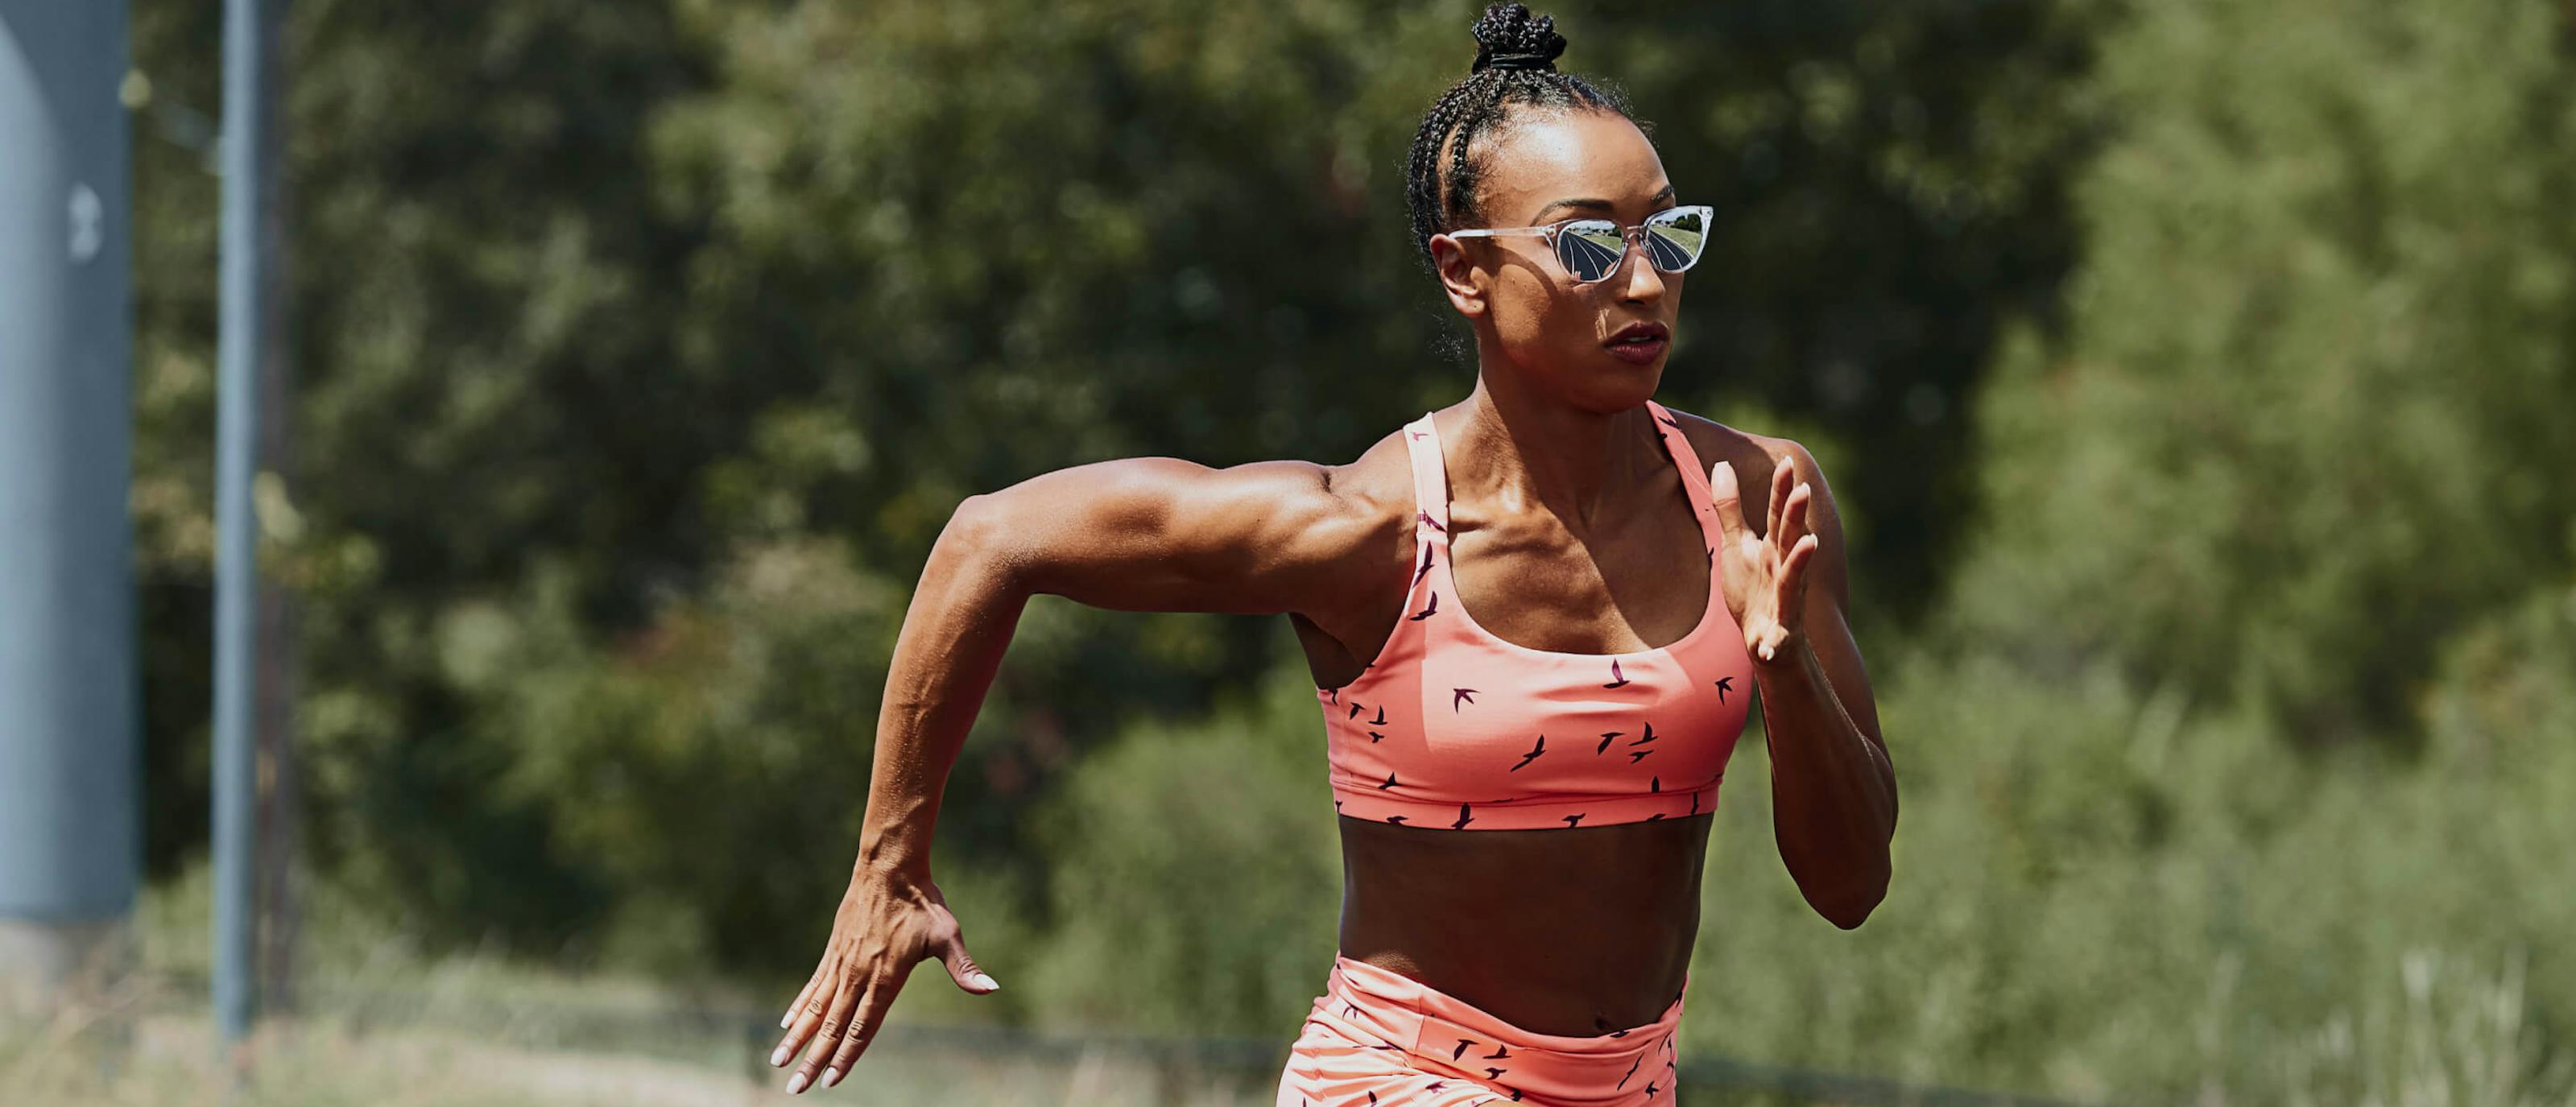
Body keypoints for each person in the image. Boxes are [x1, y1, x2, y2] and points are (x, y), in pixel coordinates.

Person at [763, 4, 1897, 1101]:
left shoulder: (1755, 503)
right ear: (1465, 271)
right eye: (1589, 245)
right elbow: (990, 539)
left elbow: (1850, 888)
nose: (1646, 281)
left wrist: (1784, 667)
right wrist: (886, 868)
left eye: (1669, 233)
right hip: (1398, 1084)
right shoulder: (1368, 533)